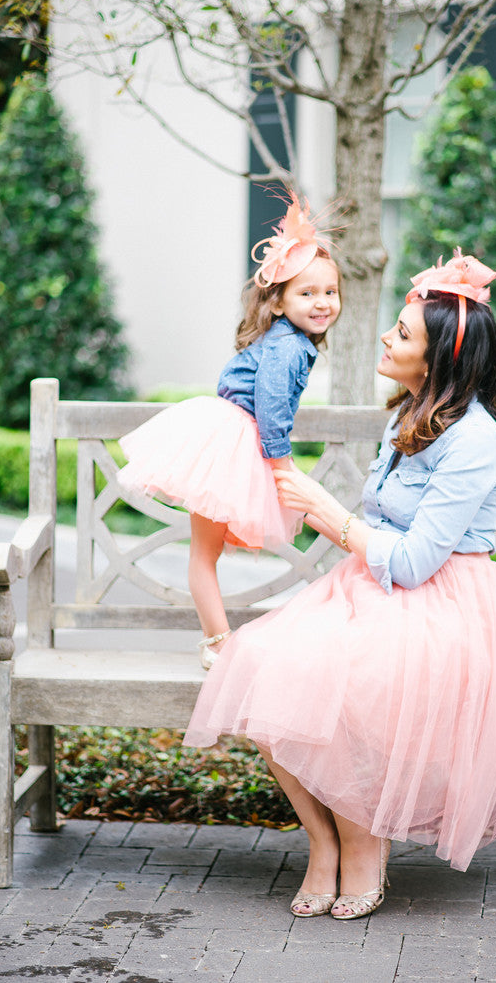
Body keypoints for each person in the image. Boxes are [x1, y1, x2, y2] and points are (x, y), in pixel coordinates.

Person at [183, 250, 496, 921]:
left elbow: (412, 563)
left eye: (403, 334)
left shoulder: (473, 442)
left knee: (347, 688)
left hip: (442, 603)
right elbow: (373, 532)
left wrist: (327, 509)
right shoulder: (407, 414)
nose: (385, 336)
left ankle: (362, 846)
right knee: (259, 665)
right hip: (368, 589)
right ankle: (321, 842)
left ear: (440, 360)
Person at [118, 193, 341, 669]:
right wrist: (282, 468)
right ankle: (218, 644)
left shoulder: (289, 340)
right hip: (233, 443)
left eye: (330, 292)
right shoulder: (288, 348)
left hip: (227, 437)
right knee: (217, 546)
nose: (322, 303)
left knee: (205, 552)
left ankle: (218, 642)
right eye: (307, 293)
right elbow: (273, 408)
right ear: (278, 302)